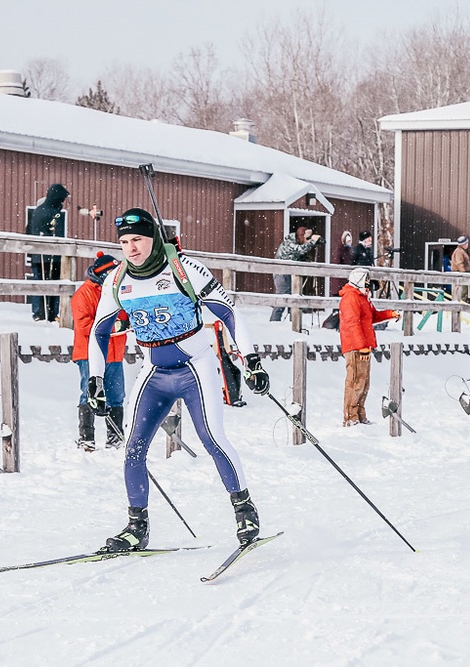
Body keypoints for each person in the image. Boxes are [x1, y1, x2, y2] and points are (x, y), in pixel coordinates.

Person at [87, 208, 268, 552]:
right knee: (133, 448)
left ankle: (244, 510)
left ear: (153, 237)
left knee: (212, 438)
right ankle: (136, 527)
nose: (131, 248)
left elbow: (230, 313)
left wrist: (252, 361)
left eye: (137, 239)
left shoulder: (184, 268)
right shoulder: (117, 280)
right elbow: (99, 331)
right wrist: (94, 380)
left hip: (195, 369)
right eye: (124, 242)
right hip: (154, 372)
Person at [72, 251, 128, 452]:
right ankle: (86, 438)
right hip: (89, 355)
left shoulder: (118, 292)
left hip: (115, 353)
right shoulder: (84, 294)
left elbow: (126, 316)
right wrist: (114, 327)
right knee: (91, 393)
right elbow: (84, 325)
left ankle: (116, 438)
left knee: (116, 395)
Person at [338, 267, 400, 426]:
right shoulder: (351, 298)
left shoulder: (362, 298)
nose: (368, 283)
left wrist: (389, 314)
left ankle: (360, 415)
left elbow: (372, 317)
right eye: (366, 280)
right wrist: (361, 346)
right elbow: (353, 324)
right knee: (355, 382)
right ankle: (350, 417)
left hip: (365, 345)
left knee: (364, 383)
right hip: (355, 347)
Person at [26, 183, 69, 322]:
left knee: (40, 282)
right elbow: (57, 232)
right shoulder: (54, 212)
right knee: (53, 284)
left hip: (37, 254)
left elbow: (30, 229)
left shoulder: (38, 210)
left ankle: (39, 312)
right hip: (52, 255)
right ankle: (50, 313)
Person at [270, 225, 321, 321]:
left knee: (293, 297)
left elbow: (299, 256)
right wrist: (313, 241)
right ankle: (274, 322)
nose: (307, 241)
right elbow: (300, 250)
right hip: (281, 272)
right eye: (306, 239)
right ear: (301, 236)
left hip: (289, 272)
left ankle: (293, 322)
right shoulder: (289, 243)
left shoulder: (297, 242)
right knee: (283, 297)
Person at [450, 235, 470, 303]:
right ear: (463, 244)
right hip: (460, 273)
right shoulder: (459, 251)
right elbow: (459, 263)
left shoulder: (461, 251)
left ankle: (461, 301)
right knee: (462, 291)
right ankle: (461, 303)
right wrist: (463, 273)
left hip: (460, 273)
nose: (467, 245)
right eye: (466, 243)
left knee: (461, 290)